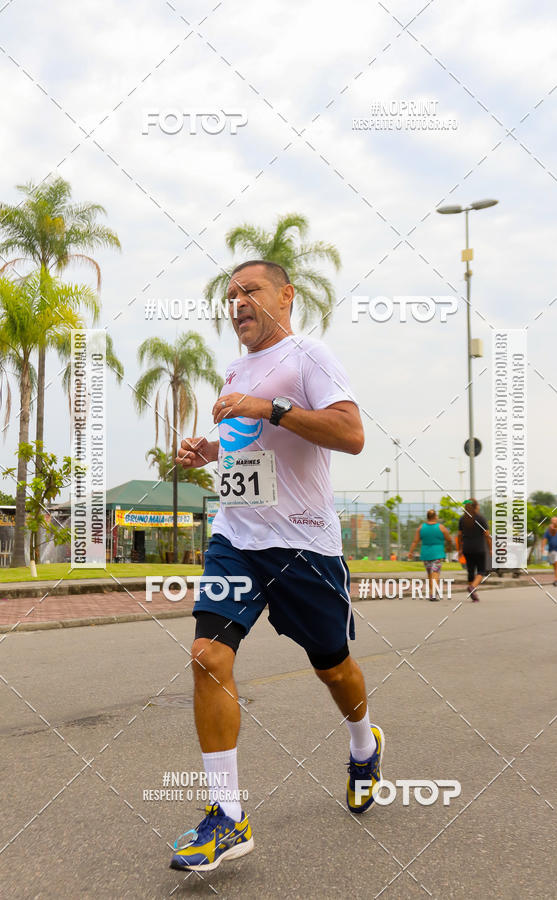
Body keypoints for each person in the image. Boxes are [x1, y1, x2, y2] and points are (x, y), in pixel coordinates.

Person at [170, 260, 384, 872]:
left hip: (303, 547)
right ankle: (227, 817)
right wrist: (207, 450)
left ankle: (363, 743)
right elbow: (246, 447)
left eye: (248, 292)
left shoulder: (311, 355)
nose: (236, 303)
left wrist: (269, 407)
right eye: (230, 296)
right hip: (236, 537)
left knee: (334, 669)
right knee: (207, 657)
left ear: (285, 296)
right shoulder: (236, 368)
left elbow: (350, 433)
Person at [407, 509, 452, 600]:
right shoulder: (441, 527)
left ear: (427, 517)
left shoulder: (421, 527)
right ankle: (433, 593)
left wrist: (410, 552)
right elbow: (449, 539)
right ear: (435, 517)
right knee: (435, 572)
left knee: (429, 574)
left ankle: (432, 593)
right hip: (437, 554)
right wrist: (449, 547)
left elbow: (415, 541)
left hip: (425, 554)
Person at [457, 499, 492, 602]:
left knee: (470, 571)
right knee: (481, 570)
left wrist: (459, 549)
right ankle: (472, 587)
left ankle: (473, 593)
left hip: (467, 548)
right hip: (479, 548)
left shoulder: (462, 519)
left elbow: (459, 535)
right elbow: (487, 535)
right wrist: (490, 548)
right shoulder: (481, 518)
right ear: (476, 506)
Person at [541, 516, 557, 586]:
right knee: (555, 566)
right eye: (553, 520)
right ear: (551, 521)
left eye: (556, 520)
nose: (554, 522)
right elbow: (544, 539)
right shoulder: (548, 530)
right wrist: (542, 548)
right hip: (551, 550)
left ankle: (556, 580)